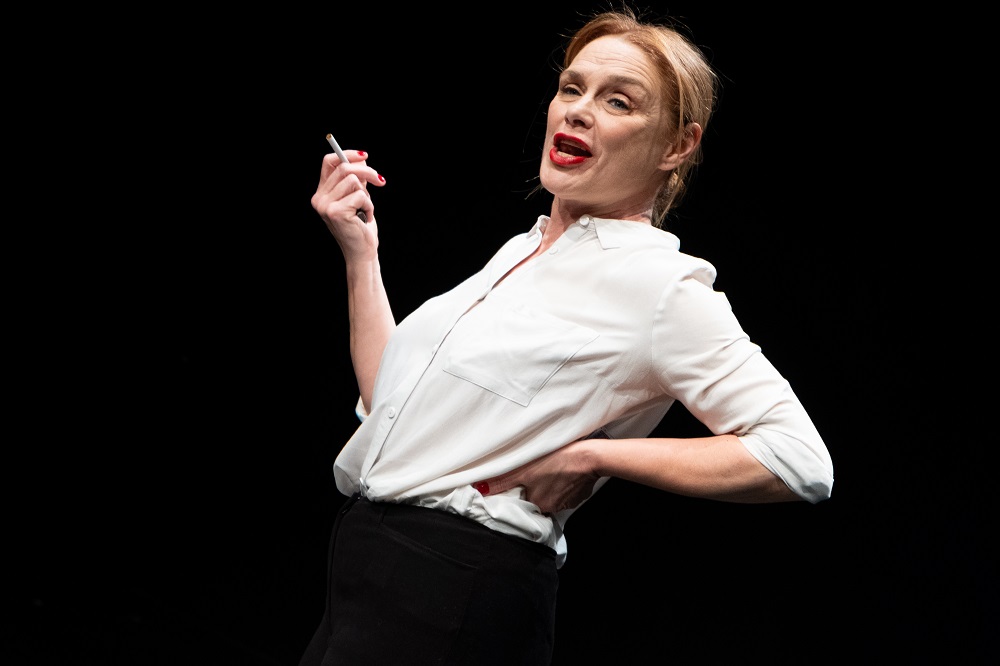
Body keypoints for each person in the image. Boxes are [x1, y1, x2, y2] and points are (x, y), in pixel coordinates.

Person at [298, 6, 834, 665]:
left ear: (677, 146)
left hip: (456, 588)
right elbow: (393, 407)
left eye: (618, 101)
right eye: (571, 88)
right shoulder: (523, 251)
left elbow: (799, 460)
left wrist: (595, 458)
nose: (578, 111)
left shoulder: (659, 285)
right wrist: (361, 254)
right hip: (368, 567)